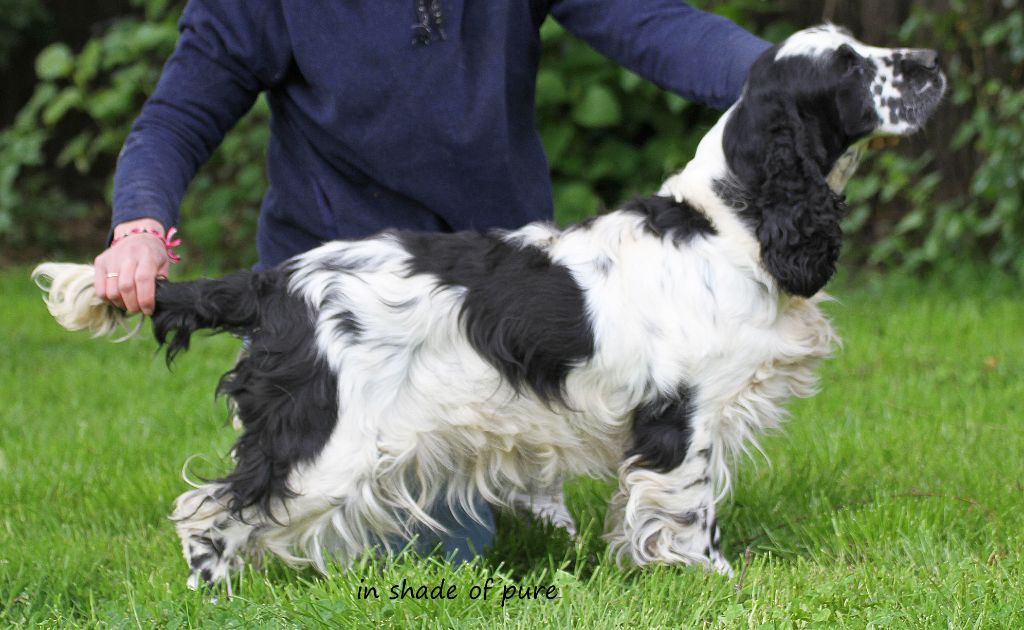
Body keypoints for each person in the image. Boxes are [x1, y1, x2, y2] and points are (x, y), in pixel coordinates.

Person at [92, 1, 771, 562]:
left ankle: (533, 464)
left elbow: (650, 21)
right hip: (348, 323)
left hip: (507, 308)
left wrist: (788, 81)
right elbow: (178, 114)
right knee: (423, 565)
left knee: (471, 542)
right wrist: (140, 226)